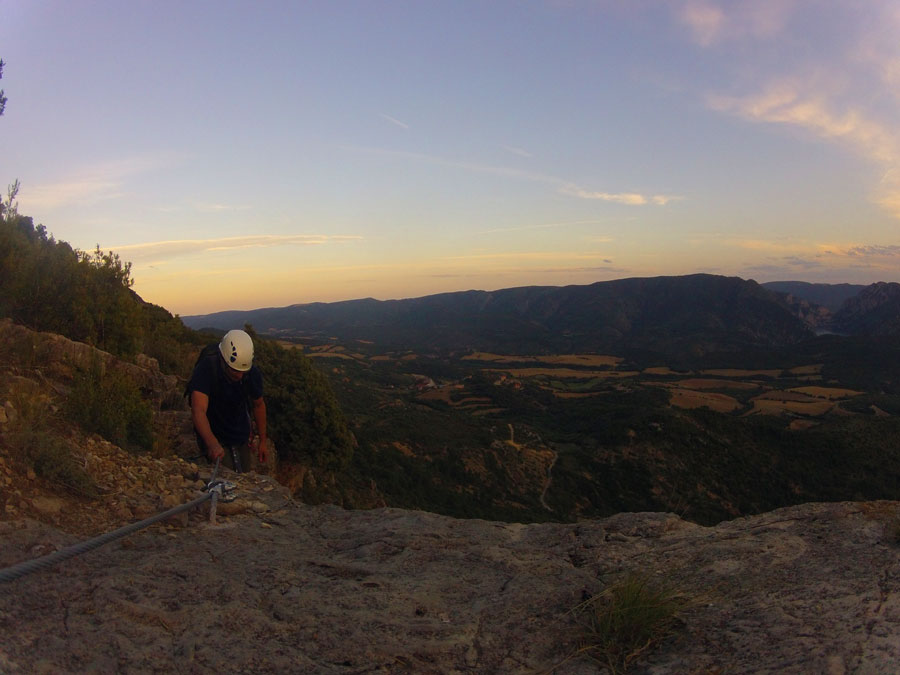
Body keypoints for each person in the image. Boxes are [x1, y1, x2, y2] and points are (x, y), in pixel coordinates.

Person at [188, 329, 269, 472]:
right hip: (213, 431)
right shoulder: (207, 369)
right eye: (234, 370)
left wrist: (263, 441)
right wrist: (212, 443)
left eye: (243, 372)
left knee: (243, 476)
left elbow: (258, 405)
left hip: (239, 432)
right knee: (224, 477)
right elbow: (198, 410)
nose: (239, 376)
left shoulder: (251, 373)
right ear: (223, 360)